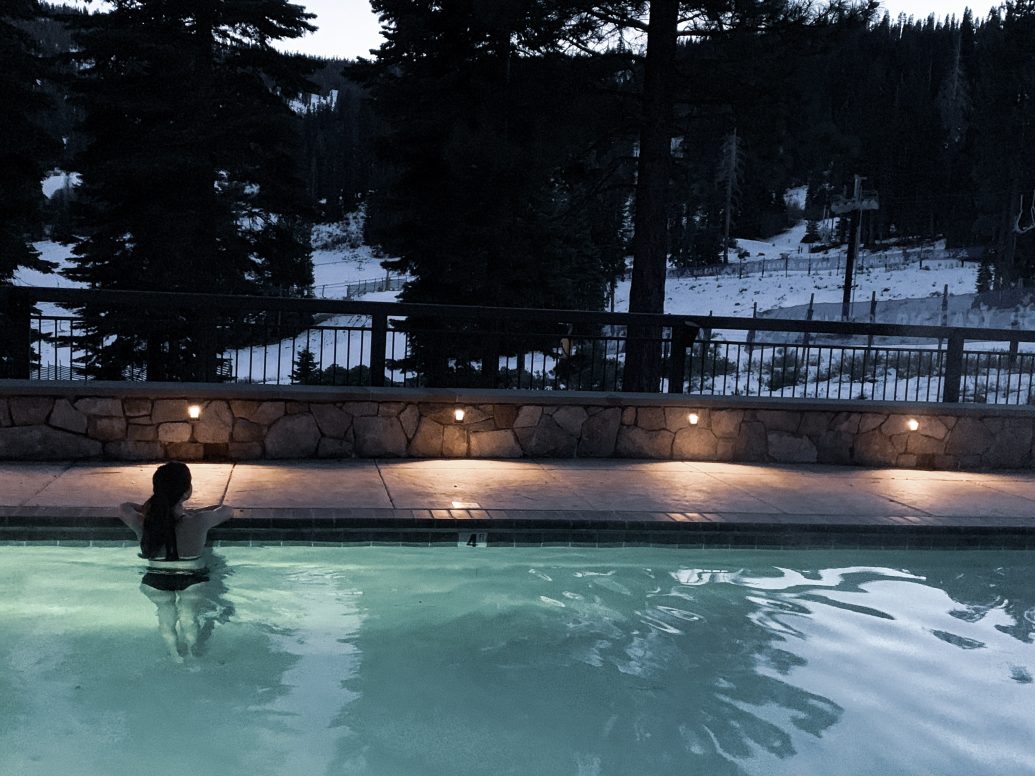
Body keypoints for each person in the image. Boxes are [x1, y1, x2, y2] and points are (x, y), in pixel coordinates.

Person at [118, 461, 232, 661]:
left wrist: (147, 508)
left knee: (165, 613)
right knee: (188, 616)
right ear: (187, 492)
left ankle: (173, 652)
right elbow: (226, 510)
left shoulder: (142, 522)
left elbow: (123, 507)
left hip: (154, 580)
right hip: (192, 580)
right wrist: (195, 512)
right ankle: (193, 651)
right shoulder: (199, 521)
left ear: (156, 490)